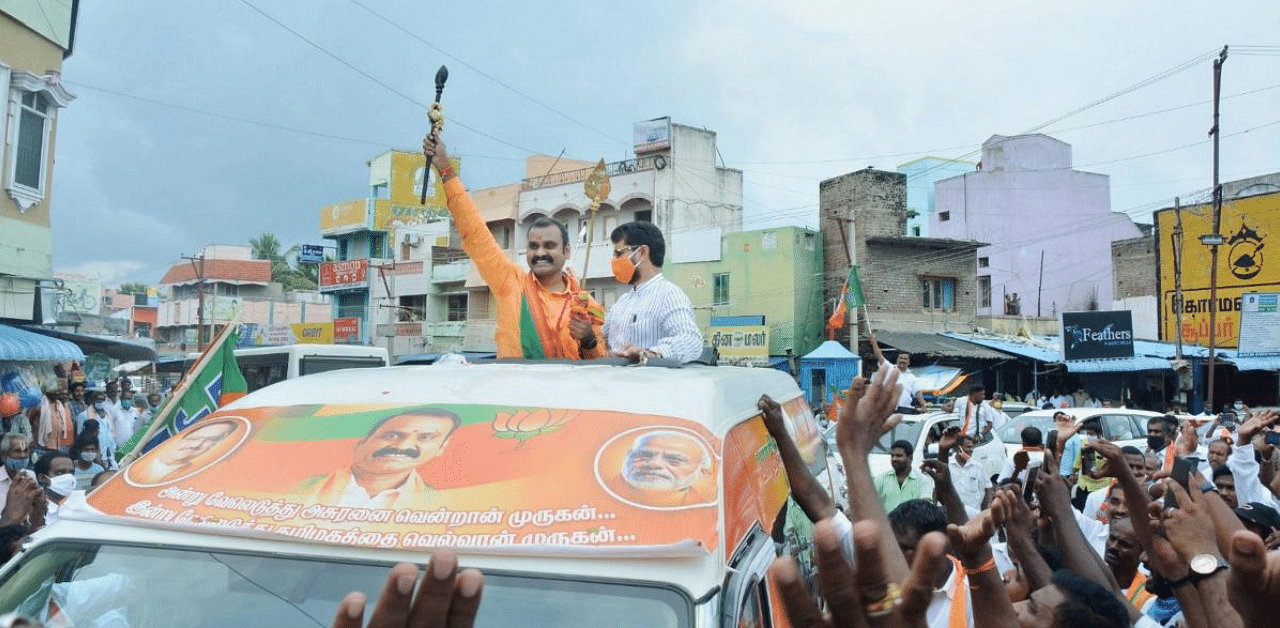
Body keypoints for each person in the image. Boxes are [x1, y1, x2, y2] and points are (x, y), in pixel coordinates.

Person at [422, 133, 605, 360]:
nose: (539, 253)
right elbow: (476, 233)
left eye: (549, 246)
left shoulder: (585, 305)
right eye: (533, 246)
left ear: (566, 251)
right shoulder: (511, 283)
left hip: (564, 394)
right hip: (513, 392)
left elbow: (600, 370)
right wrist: (446, 170)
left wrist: (589, 339)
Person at [301, 409, 460, 509]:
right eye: (392, 435)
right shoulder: (303, 488)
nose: (403, 446)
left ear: (441, 448)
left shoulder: (440, 504)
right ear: (361, 442)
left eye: (425, 437)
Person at [602, 221, 704, 363]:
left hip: (650, 382)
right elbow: (600, 337)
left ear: (642, 252)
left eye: (619, 253)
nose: (614, 260)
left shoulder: (669, 295)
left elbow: (691, 340)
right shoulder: (622, 301)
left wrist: (649, 354)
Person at [605, 430, 715, 507]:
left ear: (702, 472)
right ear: (627, 456)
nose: (654, 463)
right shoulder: (593, 497)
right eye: (643, 455)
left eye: (674, 460)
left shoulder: (707, 515)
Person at [128, 419, 239, 484]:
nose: (196, 445)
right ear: (179, 435)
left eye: (211, 441)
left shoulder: (200, 476)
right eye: (194, 438)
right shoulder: (137, 465)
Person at [868, 332, 924, 413]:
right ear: (897, 360)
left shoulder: (912, 377)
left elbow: (918, 392)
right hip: (886, 409)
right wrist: (874, 343)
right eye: (900, 358)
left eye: (905, 359)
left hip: (904, 410)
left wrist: (923, 405)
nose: (902, 360)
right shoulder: (889, 368)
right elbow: (879, 355)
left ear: (909, 362)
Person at [874, 439, 935, 514]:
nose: (894, 459)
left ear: (910, 458)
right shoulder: (880, 479)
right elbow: (871, 506)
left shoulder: (923, 481)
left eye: (899, 456)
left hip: (913, 524)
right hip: (886, 525)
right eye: (892, 456)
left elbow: (925, 508)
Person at [27, 386, 73, 454]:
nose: (57, 392)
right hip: (40, 447)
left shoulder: (59, 406)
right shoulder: (39, 405)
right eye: (54, 389)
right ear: (46, 390)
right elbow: (28, 421)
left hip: (55, 448)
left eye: (58, 390)